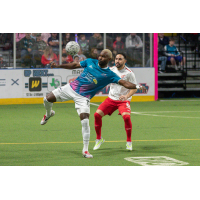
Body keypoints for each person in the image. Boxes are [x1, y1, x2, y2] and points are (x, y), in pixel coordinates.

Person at [40, 49, 146, 158]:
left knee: (85, 121)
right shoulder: (90, 61)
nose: (100, 58)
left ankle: (85, 150)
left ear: (108, 59)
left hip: (83, 98)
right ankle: (48, 114)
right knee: (46, 99)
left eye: (103, 57)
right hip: (71, 88)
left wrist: (137, 86)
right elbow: (74, 65)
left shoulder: (110, 74)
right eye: (100, 55)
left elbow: (124, 83)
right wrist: (57, 66)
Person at [93, 53, 138, 151]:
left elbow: (134, 88)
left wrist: (126, 96)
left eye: (120, 59)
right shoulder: (111, 70)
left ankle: (129, 142)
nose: (117, 61)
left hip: (123, 100)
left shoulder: (129, 73)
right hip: (111, 99)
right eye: (116, 59)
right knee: (97, 115)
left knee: (126, 117)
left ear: (125, 61)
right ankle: (99, 139)